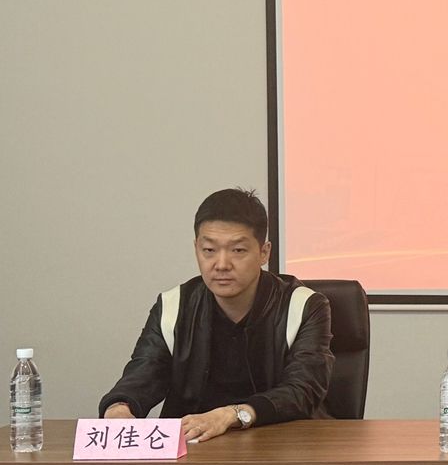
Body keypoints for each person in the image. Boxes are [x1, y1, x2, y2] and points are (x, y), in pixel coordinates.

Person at [99, 188, 333, 442]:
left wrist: (233, 414)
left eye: (238, 250)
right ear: (196, 248)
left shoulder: (304, 306)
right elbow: (144, 371)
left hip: (280, 448)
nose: (221, 264)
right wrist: (119, 407)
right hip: (194, 450)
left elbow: (302, 389)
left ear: (264, 252)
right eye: (209, 250)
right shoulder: (174, 306)